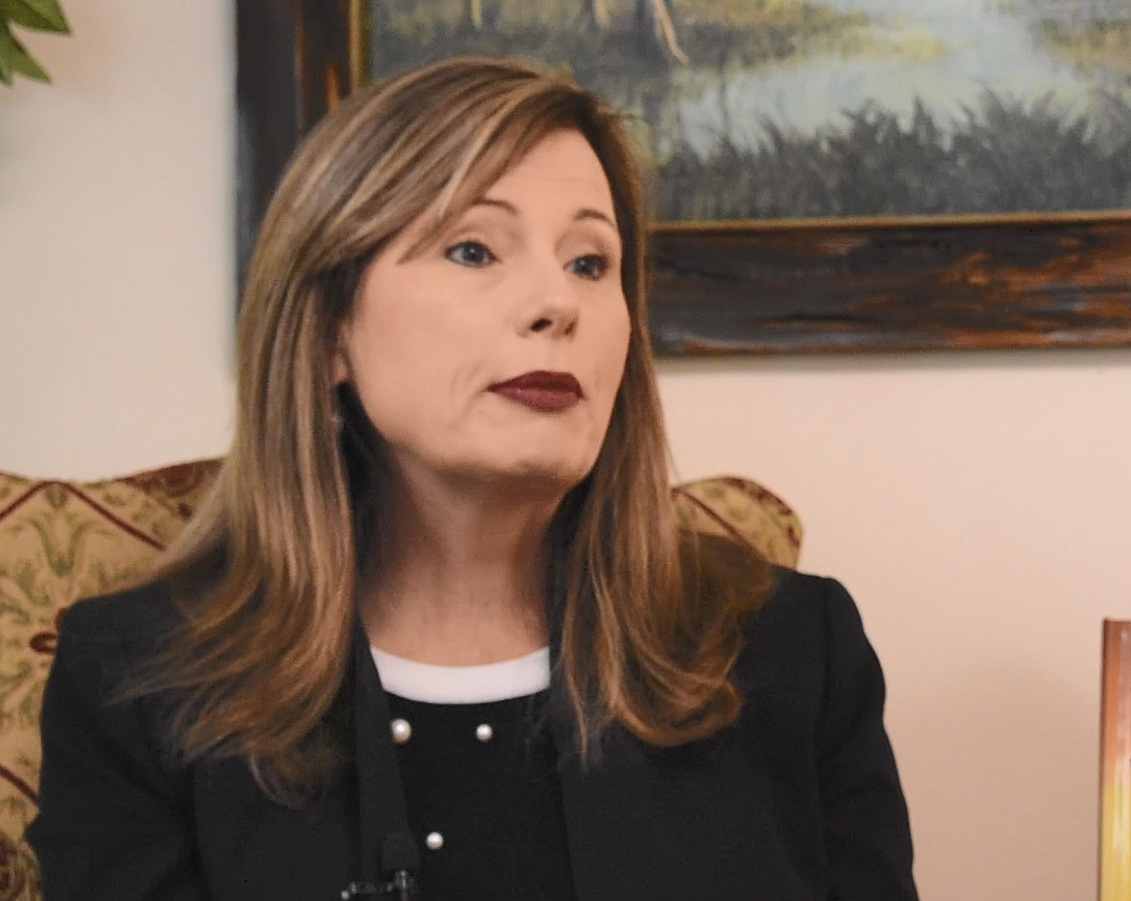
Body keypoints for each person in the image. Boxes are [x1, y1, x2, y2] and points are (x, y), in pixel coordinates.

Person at [27, 56, 918, 900]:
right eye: (473, 251)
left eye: (589, 263)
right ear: (331, 327)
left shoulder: (797, 652)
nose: (555, 303)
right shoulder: (138, 683)